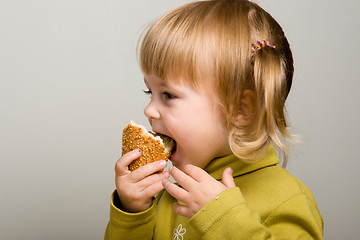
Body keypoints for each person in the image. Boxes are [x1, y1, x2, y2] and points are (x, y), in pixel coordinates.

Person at [104, 0, 324, 239]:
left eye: (168, 95)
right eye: (150, 93)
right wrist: (132, 213)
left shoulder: (287, 198)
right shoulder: (171, 189)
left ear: (241, 110)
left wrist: (223, 219)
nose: (149, 111)